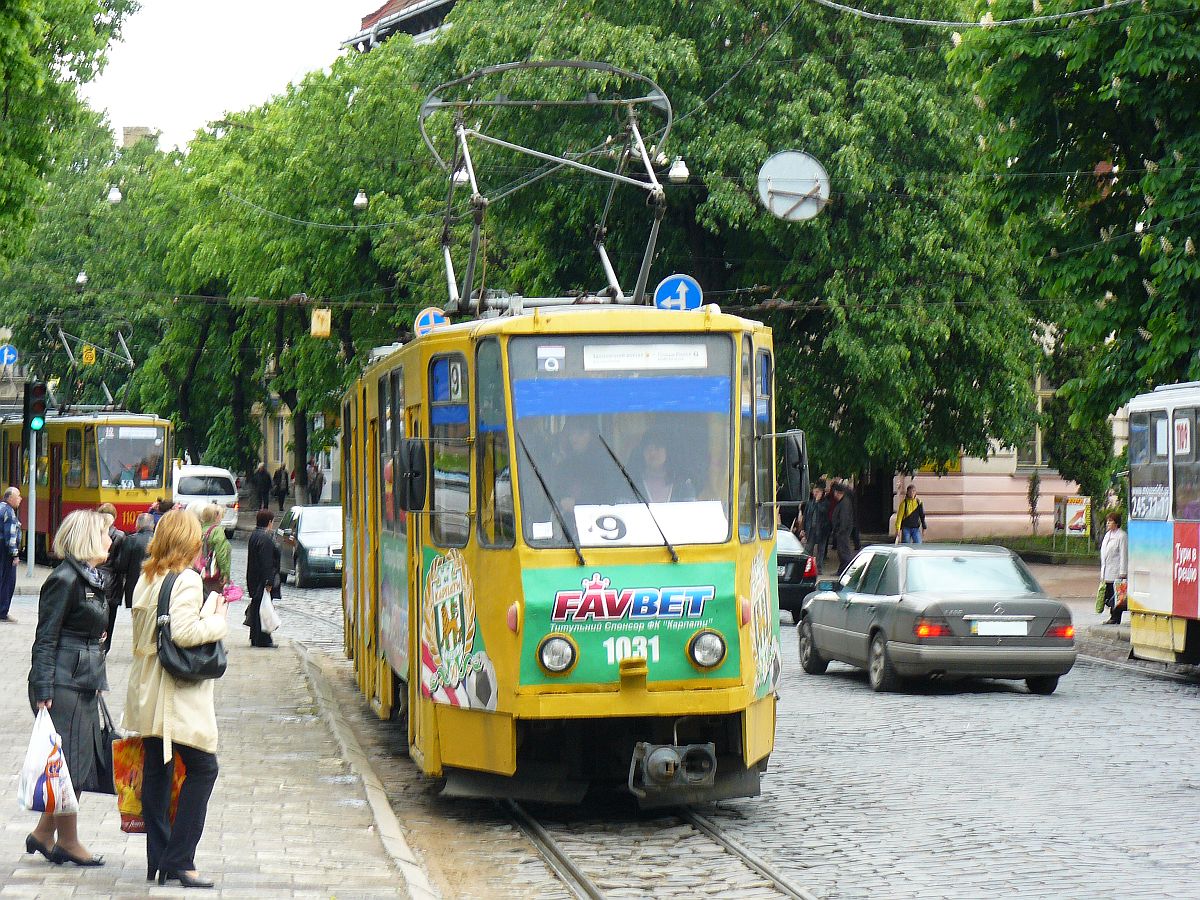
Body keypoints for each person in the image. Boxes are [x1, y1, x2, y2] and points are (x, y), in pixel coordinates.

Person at [125, 509, 227, 888]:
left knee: (158, 773)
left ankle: (160, 857)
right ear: (190, 540)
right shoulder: (186, 579)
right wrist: (217, 618)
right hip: (173, 694)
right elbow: (184, 632)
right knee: (204, 769)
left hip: (147, 689)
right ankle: (180, 858)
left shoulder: (146, 578)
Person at [25, 510, 112, 867]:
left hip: (83, 680)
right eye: (106, 534)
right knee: (70, 766)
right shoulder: (65, 579)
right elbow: (45, 638)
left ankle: (44, 834)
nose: (111, 539)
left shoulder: (88, 577)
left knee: (76, 762)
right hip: (64, 683)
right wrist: (42, 686)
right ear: (89, 538)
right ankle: (68, 841)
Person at [245, 509, 279, 648]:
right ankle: (263, 639)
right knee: (262, 608)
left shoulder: (255, 535)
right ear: (269, 522)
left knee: (257, 606)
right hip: (261, 579)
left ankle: (255, 637)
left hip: (253, 577)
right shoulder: (265, 538)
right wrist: (269, 581)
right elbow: (267, 563)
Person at [96, 503, 127, 654]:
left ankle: (96, 643)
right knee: (111, 616)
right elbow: (121, 563)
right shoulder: (120, 536)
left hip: (96, 577)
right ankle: (105, 646)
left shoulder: (93, 533)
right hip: (113, 581)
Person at [634, 432, 695, 502]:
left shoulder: (683, 484)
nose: (652, 453)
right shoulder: (631, 484)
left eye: (657, 447)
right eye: (648, 448)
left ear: (668, 451)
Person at [118, 513, 156, 609]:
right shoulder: (159, 540)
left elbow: (122, 566)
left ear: (138, 525)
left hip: (133, 585)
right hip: (153, 585)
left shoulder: (131, 540)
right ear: (152, 525)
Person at [196, 503, 232, 598]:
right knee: (214, 601)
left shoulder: (199, 529)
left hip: (199, 571)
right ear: (216, 516)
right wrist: (225, 574)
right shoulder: (217, 531)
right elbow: (221, 554)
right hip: (213, 574)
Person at [1100, 512, 1128, 625]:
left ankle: (1115, 617)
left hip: (1116, 571)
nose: (1108, 523)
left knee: (1117, 596)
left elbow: (1123, 554)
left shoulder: (1122, 536)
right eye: (1107, 521)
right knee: (1108, 595)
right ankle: (1112, 615)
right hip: (1107, 570)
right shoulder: (1107, 535)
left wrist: (1123, 572)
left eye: (1110, 521)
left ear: (1116, 523)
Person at [0, 486, 22, 622]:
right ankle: (3, 612)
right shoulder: (9, 512)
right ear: (10, 498)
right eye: (18, 496)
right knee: (8, 581)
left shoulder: (0, 508)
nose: (20, 499)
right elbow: (10, 535)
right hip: (5, 551)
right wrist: (15, 555)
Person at [799, 481, 830, 571]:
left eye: (818, 492)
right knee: (808, 548)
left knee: (821, 549)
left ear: (822, 493)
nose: (816, 494)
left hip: (822, 529)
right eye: (814, 492)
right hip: (811, 529)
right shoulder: (810, 503)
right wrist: (803, 529)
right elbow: (806, 516)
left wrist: (817, 502)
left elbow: (824, 511)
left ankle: (819, 568)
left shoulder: (825, 503)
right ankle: (807, 567)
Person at [830, 482, 857, 573]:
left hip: (843, 532)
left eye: (835, 492)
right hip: (841, 531)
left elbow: (844, 518)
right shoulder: (843, 502)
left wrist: (840, 531)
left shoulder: (845, 503)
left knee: (844, 552)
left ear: (838, 493)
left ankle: (846, 570)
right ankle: (842, 570)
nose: (834, 494)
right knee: (842, 552)